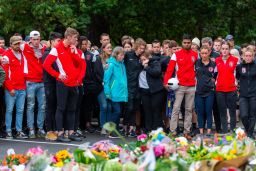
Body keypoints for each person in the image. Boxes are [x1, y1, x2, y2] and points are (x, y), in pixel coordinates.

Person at [43, 27, 85, 142]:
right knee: (61, 108)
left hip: (74, 83)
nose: (76, 40)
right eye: (75, 38)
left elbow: (80, 64)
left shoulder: (73, 48)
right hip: (63, 83)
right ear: (69, 37)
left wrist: (74, 53)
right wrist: (57, 75)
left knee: (72, 108)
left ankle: (70, 132)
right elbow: (46, 65)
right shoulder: (56, 48)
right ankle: (60, 133)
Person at [163, 34, 198, 140]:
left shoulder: (196, 54)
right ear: (182, 43)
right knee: (175, 108)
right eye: (185, 43)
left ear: (191, 43)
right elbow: (170, 69)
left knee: (189, 109)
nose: (187, 44)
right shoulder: (176, 54)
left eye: (188, 43)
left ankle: (187, 132)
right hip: (179, 85)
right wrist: (166, 82)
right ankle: (173, 131)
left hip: (191, 85)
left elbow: (199, 68)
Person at [20, 30, 46, 138]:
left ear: (40, 39)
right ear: (30, 39)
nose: (36, 41)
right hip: (30, 81)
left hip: (42, 81)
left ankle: (40, 128)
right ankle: (31, 129)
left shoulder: (44, 48)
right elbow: (16, 43)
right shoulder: (25, 47)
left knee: (42, 106)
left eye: (37, 39)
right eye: (33, 39)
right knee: (30, 106)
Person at [1, 36, 27, 139]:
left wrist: (24, 86)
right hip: (11, 89)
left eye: (19, 43)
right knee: (10, 110)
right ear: (11, 44)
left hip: (22, 87)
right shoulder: (6, 56)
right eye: (15, 44)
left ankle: (18, 131)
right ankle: (8, 131)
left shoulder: (22, 54)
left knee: (20, 111)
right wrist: (10, 88)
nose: (18, 45)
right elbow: (5, 74)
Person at [80, 37, 106, 135]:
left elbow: (95, 71)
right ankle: (79, 124)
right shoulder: (76, 53)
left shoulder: (91, 56)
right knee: (79, 105)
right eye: (82, 44)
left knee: (88, 105)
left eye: (86, 44)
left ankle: (88, 123)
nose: (84, 46)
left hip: (89, 84)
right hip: (78, 82)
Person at [104, 46, 128, 138]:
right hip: (113, 93)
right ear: (116, 55)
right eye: (121, 55)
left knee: (118, 112)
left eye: (123, 55)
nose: (123, 57)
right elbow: (106, 79)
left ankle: (116, 129)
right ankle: (111, 131)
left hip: (121, 93)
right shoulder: (111, 64)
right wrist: (107, 92)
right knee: (117, 111)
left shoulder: (122, 64)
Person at [42, 32, 62, 141]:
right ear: (51, 42)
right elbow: (50, 70)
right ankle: (49, 131)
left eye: (60, 41)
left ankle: (55, 129)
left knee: (55, 107)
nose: (59, 43)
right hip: (49, 84)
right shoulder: (47, 54)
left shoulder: (58, 53)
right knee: (49, 107)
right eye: (58, 41)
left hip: (57, 83)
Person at [124, 38, 146, 137]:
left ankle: (132, 128)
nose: (142, 50)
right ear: (136, 47)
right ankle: (125, 125)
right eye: (141, 48)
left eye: (143, 48)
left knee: (135, 108)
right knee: (129, 107)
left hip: (138, 86)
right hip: (128, 85)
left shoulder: (142, 58)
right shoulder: (128, 55)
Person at [215, 41, 238, 134]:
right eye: (223, 49)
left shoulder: (235, 60)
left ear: (229, 50)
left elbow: (238, 74)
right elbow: (214, 75)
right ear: (220, 49)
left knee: (232, 112)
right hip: (220, 90)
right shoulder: (217, 60)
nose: (224, 51)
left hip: (231, 89)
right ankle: (224, 132)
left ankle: (233, 131)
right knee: (222, 112)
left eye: (226, 49)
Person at [139, 51, 164, 132]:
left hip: (156, 90)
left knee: (156, 110)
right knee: (147, 111)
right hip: (144, 91)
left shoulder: (155, 63)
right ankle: (148, 129)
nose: (143, 61)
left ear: (148, 58)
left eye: (144, 59)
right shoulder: (139, 65)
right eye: (141, 60)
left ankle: (156, 130)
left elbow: (157, 72)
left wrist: (147, 67)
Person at [195, 46, 216, 136]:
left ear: (209, 53)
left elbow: (216, 76)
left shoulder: (213, 64)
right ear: (200, 53)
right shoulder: (196, 63)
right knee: (200, 111)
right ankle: (200, 131)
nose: (204, 55)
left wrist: (212, 83)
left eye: (205, 53)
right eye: (202, 53)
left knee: (208, 111)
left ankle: (208, 131)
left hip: (209, 92)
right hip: (199, 92)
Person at [236, 48, 256, 138]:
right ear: (243, 56)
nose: (248, 57)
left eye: (250, 56)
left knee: (252, 115)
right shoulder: (239, 67)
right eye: (246, 56)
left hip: (253, 95)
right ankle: (248, 130)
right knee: (244, 115)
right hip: (243, 95)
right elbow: (237, 78)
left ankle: (250, 134)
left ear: (253, 56)